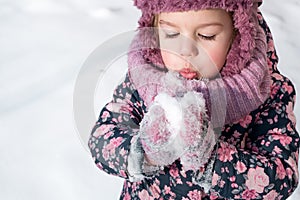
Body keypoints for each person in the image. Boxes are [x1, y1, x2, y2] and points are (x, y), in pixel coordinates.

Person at [88, 0, 299, 199]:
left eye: (207, 36)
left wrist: (210, 159)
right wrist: (146, 152)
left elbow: (282, 177)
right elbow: (102, 138)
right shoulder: (144, 79)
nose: (185, 50)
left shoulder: (266, 91)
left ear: (238, 34)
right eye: (171, 33)